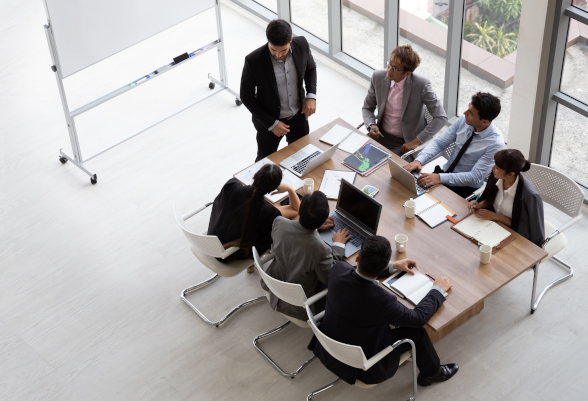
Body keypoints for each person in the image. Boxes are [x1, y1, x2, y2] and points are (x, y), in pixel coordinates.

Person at [308, 235, 458, 387]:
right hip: (363, 367)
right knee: (417, 333)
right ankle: (431, 373)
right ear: (385, 266)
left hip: (327, 346)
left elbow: (352, 271)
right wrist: (437, 289)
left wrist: (394, 266)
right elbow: (418, 318)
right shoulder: (382, 301)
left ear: (358, 259)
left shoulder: (338, 270)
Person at [261, 191, 351, 321]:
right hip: (299, 303)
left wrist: (313, 226)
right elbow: (330, 278)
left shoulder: (279, 222)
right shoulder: (321, 249)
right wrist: (337, 245)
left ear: (298, 212)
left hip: (275, 283)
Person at [240, 19, 317, 162]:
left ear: (291, 40)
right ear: (267, 40)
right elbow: (246, 96)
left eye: (283, 50)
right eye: (273, 49)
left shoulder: (302, 44)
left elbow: (311, 68)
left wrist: (311, 95)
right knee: (264, 163)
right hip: (269, 123)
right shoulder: (254, 60)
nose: (278, 55)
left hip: (298, 116)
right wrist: (271, 123)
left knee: (302, 158)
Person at [403, 92, 506, 198]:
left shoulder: (496, 144)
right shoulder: (463, 121)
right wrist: (419, 160)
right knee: (406, 194)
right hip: (442, 175)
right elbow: (439, 143)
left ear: (484, 121)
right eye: (468, 108)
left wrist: (440, 178)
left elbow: (475, 177)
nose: (464, 113)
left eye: (470, 113)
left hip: (464, 189)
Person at [362, 45, 447, 158]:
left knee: (386, 173)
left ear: (407, 73)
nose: (389, 69)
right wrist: (371, 125)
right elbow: (367, 108)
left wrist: (416, 142)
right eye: (390, 63)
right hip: (380, 136)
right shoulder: (377, 76)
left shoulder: (421, 85)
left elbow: (441, 118)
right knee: (354, 159)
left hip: (404, 144)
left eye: (395, 68)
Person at [207, 164, 300, 264]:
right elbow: (296, 209)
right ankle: (250, 266)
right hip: (227, 255)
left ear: (255, 174)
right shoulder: (268, 212)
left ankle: (250, 268)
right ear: (274, 188)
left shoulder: (232, 186)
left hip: (210, 240)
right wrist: (289, 188)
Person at [469, 149, 545, 247]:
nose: (492, 168)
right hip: (492, 226)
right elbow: (490, 199)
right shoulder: (496, 176)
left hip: (514, 235)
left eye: (497, 167)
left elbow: (524, 226)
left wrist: (496, 216)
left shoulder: (530, 196)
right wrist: (480, 204)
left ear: (510, 174)